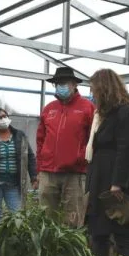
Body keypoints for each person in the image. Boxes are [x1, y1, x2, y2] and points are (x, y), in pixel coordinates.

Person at [85, 69, 129, 256]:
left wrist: (118, 183)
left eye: (94, 89)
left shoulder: (124, 112)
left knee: (122, 232)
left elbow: (126, 149)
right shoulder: (102, 115)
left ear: (104, 88)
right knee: (99, 232)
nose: (92, 94)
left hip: (114, 182)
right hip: (99, 178)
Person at [36, 67, 95, 227]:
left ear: (74, 84)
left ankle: (69, 251)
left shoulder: (87, 107)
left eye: (64, 83)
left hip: (75, 172)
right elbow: (40, 139)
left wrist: (81, 157)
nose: (60, 86)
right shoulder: (49, 109)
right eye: (57, 83)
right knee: (46, 218)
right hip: (48, 171)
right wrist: (40, 167)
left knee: (73, 219)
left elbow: (93, 138)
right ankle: (49, 250)